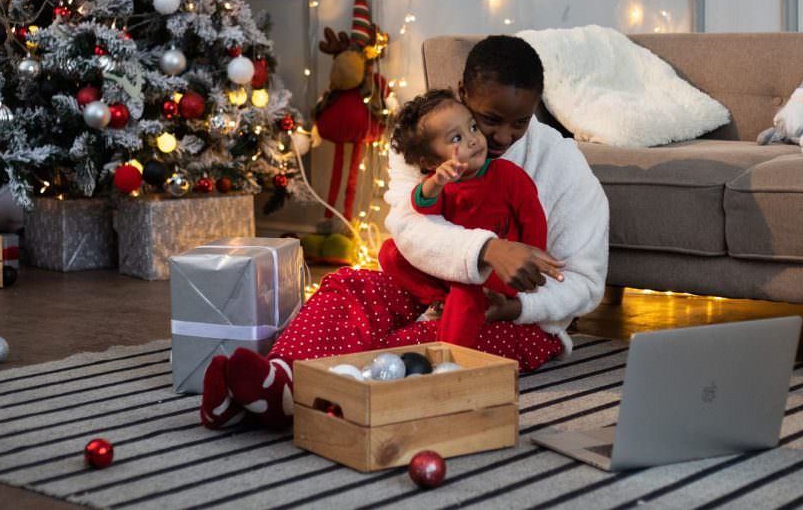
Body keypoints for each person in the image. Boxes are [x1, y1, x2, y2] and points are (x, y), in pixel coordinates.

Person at [199, 35, 609, 430]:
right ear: (463, 92)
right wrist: (488, 249)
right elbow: (409, 226)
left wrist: (515, 308)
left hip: (519, 321)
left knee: (427, 341)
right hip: (426, 287)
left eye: (519, 122)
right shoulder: (424, 135)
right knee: (350, 286)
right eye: (489, 120)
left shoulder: (564, 166)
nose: (502, 137)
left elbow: (586, 282)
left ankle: (305, 398)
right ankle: (279, 376)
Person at [378, 87, 550, 349]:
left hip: (496, 272)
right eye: (456, 138)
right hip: (451, 270)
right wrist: (436, 182)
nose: (473, 140)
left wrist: (531, 260)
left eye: (472, 127)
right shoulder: (442, 184)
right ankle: (439, 300)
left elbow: (533, 217)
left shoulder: (507, 175)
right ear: (432, 160)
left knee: (464, 291)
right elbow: (421, 210)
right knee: (390, 253)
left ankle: (451, 359)